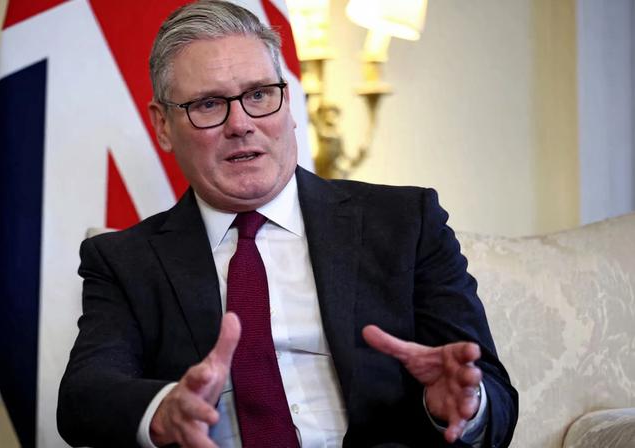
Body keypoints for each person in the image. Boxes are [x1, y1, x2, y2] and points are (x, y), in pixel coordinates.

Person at [57, 1, 518, 447]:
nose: (240, 123)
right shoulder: (125, 261)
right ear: (162, 126)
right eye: (209, 104)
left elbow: (490, 392)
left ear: (288, 102)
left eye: (259, 94)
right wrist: (164, 408)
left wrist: (461, 405)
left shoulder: (404, 223)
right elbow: (83, 398)